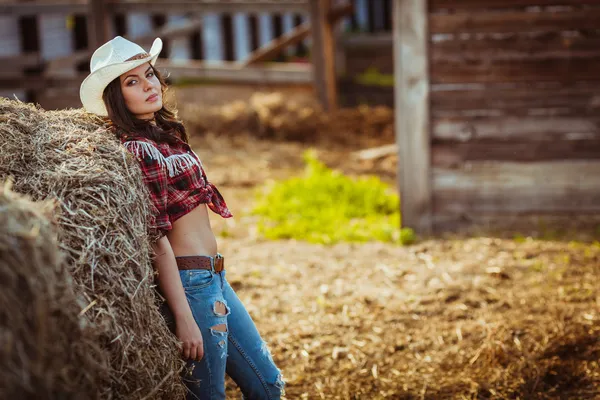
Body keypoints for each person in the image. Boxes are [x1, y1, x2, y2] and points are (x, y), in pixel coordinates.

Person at [79, 36, 285, 400]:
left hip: (215, 276)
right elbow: (156, 237)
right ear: (116, 96)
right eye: (132, 82)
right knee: (209, 397)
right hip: (191, 285)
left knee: (268, 385)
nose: (148, 86)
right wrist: (184, 318)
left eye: (150, 75)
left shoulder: (166, 135)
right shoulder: (135, 150)